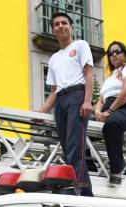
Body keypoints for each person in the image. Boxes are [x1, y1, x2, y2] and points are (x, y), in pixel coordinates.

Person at [37, 12, 94, 196]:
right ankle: (85, 191)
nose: (61, 26)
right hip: (60, 100)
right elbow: (53, 91)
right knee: (67, 146)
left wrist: (87, 101)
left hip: (77, 95)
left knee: (75, 145)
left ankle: (76, 188)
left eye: (64, 23)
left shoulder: (80, 45)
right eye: (56, 24)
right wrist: (42, 111)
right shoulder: (53, 58)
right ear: (53, 30)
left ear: (71, 27)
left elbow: (89, 74)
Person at [94, 41, 126, 185]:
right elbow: (101, 99)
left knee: (113, 123)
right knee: (79, 123)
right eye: (110, 53)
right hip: (109, 108)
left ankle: (116, 170)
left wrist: (109, 111)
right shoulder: (110, 78)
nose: (113, 55)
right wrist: (98, 111)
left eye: (117, 51)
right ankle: (88, 164)